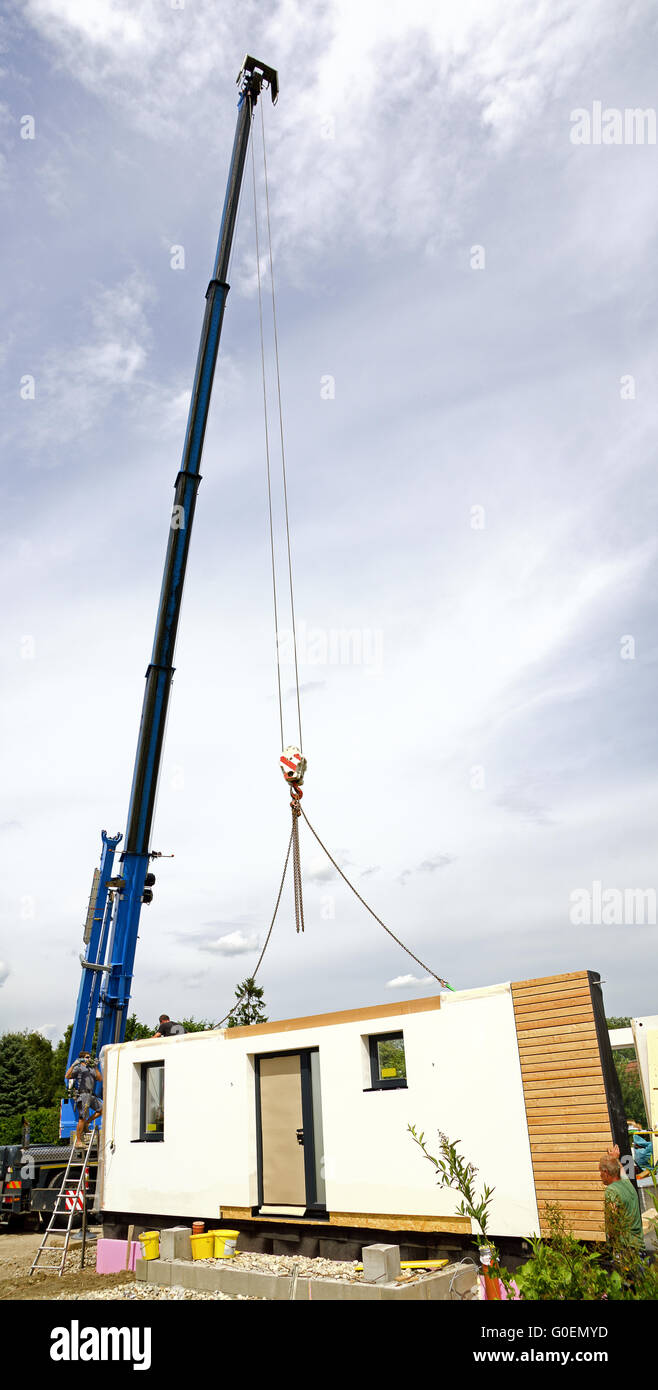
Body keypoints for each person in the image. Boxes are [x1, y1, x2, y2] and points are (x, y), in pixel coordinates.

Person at [599, 1147, 643, 1248]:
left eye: (600, 1171)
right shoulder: (627, 1184)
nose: (600, 1175)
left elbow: (613, 1217)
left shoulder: (611, 1190)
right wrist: (615, 1159)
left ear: (606, 1172)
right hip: (639, 1245)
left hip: (625, 1247)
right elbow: (621, 1171)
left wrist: (611, 1241)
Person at [65, 1050, 103, 1148]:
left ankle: (88, 1122)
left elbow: (99, 1078)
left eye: (89, 1057)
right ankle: (78, 1141)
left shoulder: (91, 1069)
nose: (88, 1059)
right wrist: (74, 1065)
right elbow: (67, 1076)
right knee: (81, 1118)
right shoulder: (79, 1068)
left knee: (102, 1109)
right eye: (87, 1057)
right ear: (82, 1058)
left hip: (91, 1095)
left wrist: (95, 1067)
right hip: (83, 1095)